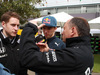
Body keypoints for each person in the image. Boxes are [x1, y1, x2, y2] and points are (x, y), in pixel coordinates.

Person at [20, 17, 94, 75]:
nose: (62, 33)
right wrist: (49, 51)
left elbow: (28, 59)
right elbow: (65, 61)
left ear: (73, 31)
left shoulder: (73, 54)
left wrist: (29, 28)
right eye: (44, 28)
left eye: (64, 28)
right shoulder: (85, 50)